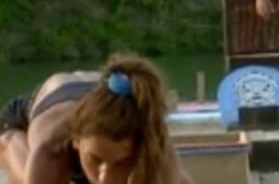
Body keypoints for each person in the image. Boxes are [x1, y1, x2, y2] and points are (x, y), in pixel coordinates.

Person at [0, 52, 193, 184]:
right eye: (95, 159)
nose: (105, 178)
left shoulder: (152, 142)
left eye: (121, 163)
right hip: (18, 124)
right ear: (76, 141)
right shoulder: (52, 150)